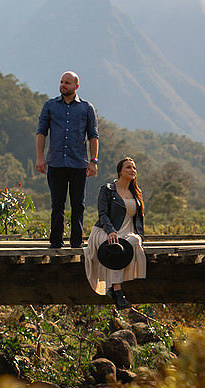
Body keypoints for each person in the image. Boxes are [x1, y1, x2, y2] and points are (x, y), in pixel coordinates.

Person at [35, 71, 99, 248]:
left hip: (79, 164)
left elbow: (93, 136)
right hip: (56, 162)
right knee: (57, 204)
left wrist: (94, 161)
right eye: (62, 82)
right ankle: (56, 242)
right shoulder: (50, 106)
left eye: (67, 83)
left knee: (78, 205)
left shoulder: (86, 108)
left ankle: (76, 242)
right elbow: (41, 133)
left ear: (76, 86)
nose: (63, 85)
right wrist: (40, 158)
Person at [85, 157, 147, 307]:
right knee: (115, 246)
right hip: (105, 231)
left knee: (133, 241)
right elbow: (103, 214)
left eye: (134, 168)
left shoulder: (135, 192)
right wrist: (111, 231)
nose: (133, 170)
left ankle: (114, 290)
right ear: (120, 171)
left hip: (128, 232)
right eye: (128, 167)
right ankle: (117, 291)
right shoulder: (107, 189)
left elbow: (138, 219)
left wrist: (141, 235)